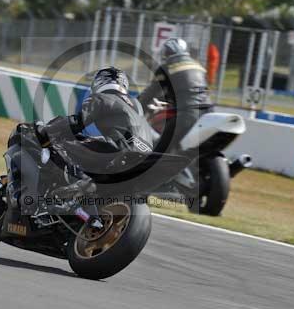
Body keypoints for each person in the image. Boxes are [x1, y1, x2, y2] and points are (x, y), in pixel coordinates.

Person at [36, 67, 153, 224]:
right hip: (144, 158)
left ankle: (50, 203)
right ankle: (85, 201)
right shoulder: (137, 107)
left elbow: (77, 123)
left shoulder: (103, 97)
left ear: (100, 82)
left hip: (116, 149)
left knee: (60, 147)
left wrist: (48, 130)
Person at [138, 38, 210, 152]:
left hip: (188, 113)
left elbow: (150, 93)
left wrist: (136, 107)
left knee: (159, 149)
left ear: (168, 52)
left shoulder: (167, 67)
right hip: (208, 111)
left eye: (166, 52)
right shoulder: (197, 66)